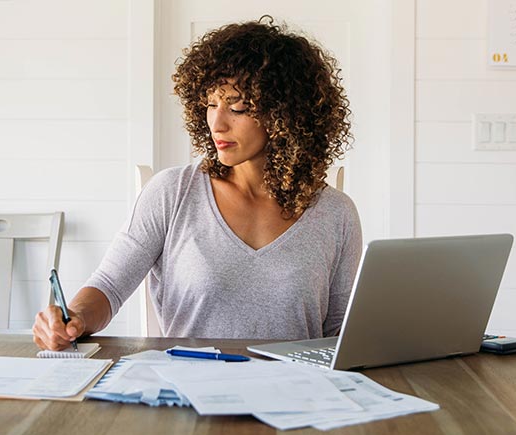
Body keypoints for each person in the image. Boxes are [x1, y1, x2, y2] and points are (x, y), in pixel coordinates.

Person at [33, 16, 362, 351]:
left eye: (238, 107)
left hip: (297, 395)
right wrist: (73, 318)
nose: (216, 124)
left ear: (286, 116)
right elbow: (108, 286)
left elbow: (341, 334)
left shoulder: (336, 213)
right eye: (210, 104)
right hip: (189, 391)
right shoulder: (172, 192)